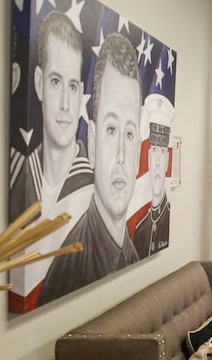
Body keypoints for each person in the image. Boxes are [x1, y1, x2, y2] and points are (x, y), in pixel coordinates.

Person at [40, 33, 142, 303]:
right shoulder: (67, 272)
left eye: (129, 134)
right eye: (111, 129)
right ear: (93, 144)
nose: (121, 155)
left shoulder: (131, 254)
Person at [9, 11, 93, 224]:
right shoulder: (19, 178)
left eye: (72, 87)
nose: (66, 104)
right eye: (56, 82)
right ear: (39, 83)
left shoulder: (95, 194)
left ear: (80, 91)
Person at [133, 94, 173, 257]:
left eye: (162, 152)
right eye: (154, 151)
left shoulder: (170, 218)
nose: (157, 162)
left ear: (168, 160)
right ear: (148, 158)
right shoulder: (140, 230)